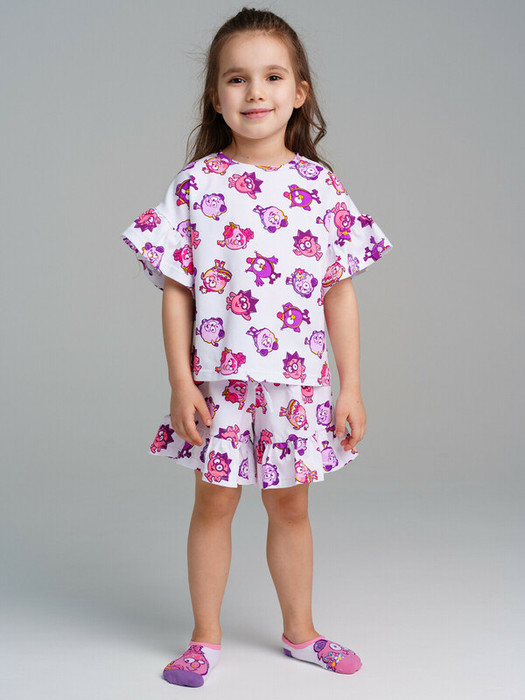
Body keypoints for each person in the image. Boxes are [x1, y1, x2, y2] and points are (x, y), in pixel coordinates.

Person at [120, 6, 392, 688]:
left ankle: (301, 632)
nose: (255, 92)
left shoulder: (320, 188)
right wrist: (181, 383)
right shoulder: (197, 186)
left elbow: (338, 293)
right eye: (236, 79)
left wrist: (351, 387)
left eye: (272, 77)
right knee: (213, 504)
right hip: (218, 382)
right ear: (216, 97)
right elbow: (176, 291)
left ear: (299, 91)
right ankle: (203, 639)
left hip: (296, 384)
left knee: (290, 507)